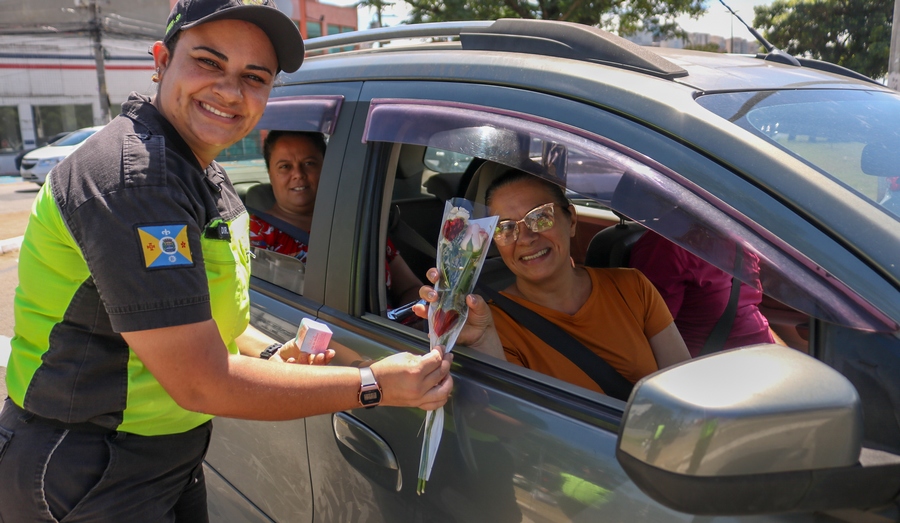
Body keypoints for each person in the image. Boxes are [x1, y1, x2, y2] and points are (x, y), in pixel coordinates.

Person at [0, 1, 452, 521]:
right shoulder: (135, 180)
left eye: (253, 76)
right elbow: (201, 381)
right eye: (209, 63)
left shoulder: (201, 174)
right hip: (86, 464)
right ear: (161, 60)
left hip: (162, 451)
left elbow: (208, 314)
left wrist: (271, 354)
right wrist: (372, 385)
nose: (231, 91)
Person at [417, 168, 689, 395]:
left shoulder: (633, 287)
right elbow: (515, 422)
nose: (525, 238)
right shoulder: (490, 325)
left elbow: (685, 388)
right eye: (506, 228)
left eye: (540, 217)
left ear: (571, 220)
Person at [249, 130, 422, 306]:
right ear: (270, 174)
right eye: (285, 166)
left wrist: (416, 319)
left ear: (326, 168)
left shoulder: (355, 221)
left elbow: (410, 287)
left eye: (309, 163)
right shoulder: (256, 233)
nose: (298, 174)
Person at [628, 230, 776, 357]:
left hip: (761, 361)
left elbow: (749, 311)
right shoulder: (667, 246)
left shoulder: (739, 239)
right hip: (711, 374)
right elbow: (650, 334)